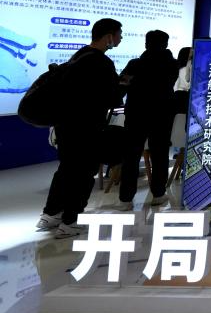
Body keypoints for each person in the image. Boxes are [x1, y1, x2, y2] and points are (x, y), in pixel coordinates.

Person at [37, 18, 123, 238]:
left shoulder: (78, 56)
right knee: (84, 173)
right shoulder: (102, 62)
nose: (120, 38)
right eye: (118, 34)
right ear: (109, 36)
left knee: (66, 170)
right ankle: (70, 221)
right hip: (88, 127)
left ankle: (50, 214)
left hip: (65, 125)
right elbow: (113, 98)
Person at [114, 30, 179, 210]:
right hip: (162, 115)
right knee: (160, 155)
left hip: (136, 114)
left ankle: (125, 198)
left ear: (146, 44)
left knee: (131, 156)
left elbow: (121, 87)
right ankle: (158, 194)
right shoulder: (172, 65)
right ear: (166, 44)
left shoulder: (135, 64)